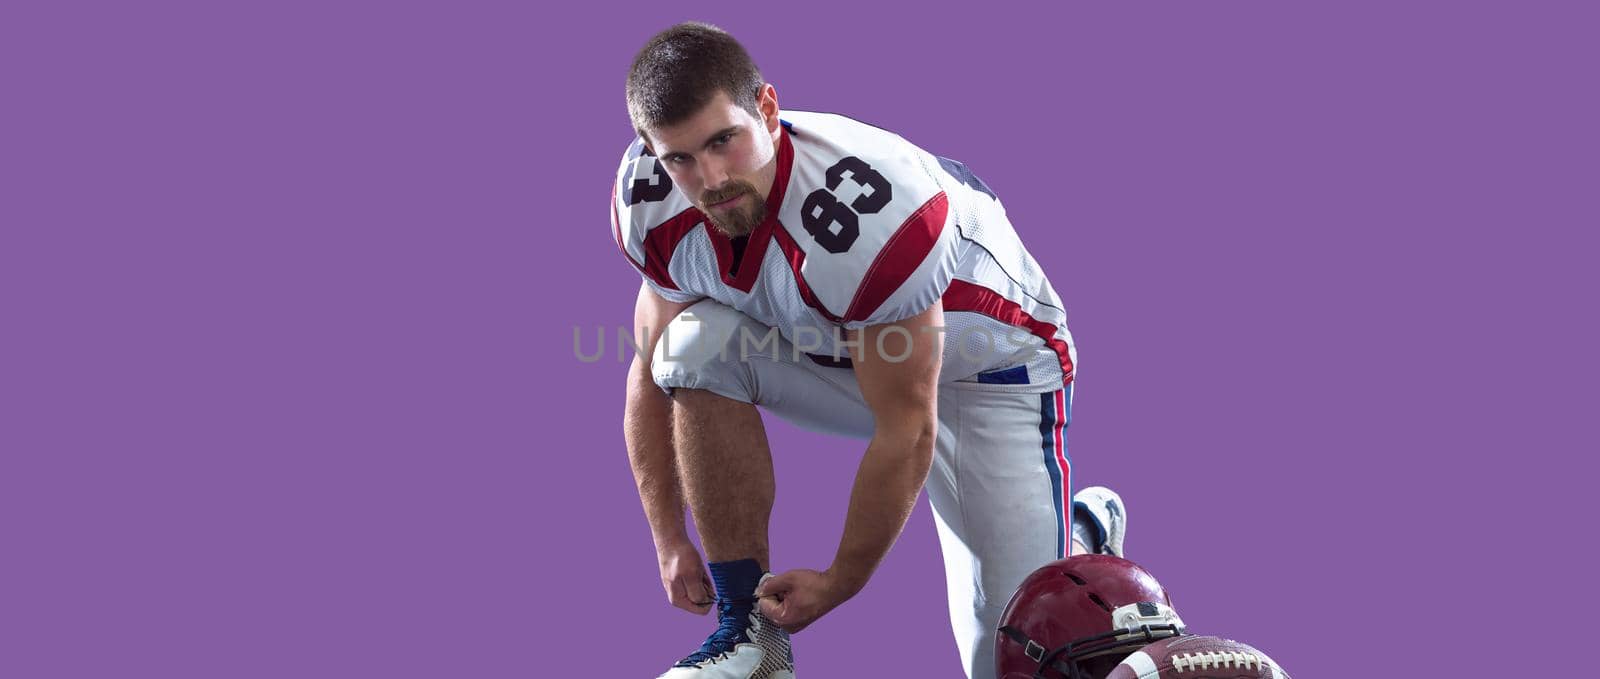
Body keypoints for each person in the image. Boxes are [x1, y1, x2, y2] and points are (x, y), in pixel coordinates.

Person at [612, 22, 1123, 679]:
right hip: (844, 348)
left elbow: (907, 427)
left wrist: (837, 581)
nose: (708, 178)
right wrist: (668, 537)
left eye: (723, 141)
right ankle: (749, 635)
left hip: (989, 369)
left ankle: (1077, 536)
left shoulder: (871, 213)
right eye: (679, 157)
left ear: (767, 110)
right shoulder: (648, 201)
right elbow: (649, 372)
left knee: (1009, 656)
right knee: (688, 346)